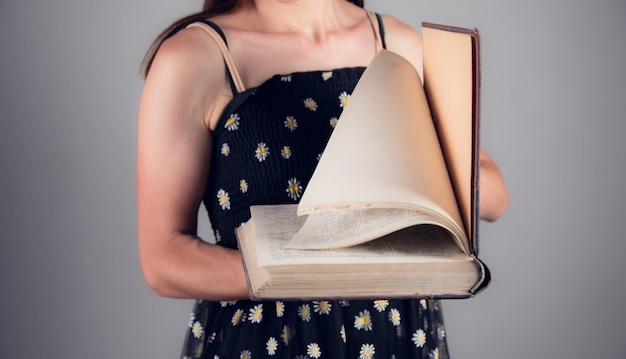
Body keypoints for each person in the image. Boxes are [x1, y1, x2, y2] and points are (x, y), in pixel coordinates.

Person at [136, 0, 510, 358]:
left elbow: (494, 196)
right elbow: (163, 259)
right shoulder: (193, 57)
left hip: (397, 335)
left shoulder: (398, 45)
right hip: (270, 338)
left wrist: (424, 156)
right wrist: (295, 275)